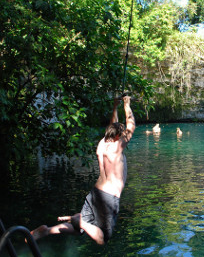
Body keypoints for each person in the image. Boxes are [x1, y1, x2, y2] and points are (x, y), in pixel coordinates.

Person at [29, 96, 135, 245]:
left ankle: (48, 230)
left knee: (80, 230)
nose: (124, 135)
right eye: (122, 133)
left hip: (96, 192)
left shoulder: (103, 143)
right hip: (109, 197)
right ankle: (80, 221)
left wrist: (115, 107)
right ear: (118, 136)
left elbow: (113, 125)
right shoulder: (117, 148)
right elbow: (131, 125)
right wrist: (127, 105)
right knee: (102, 238)